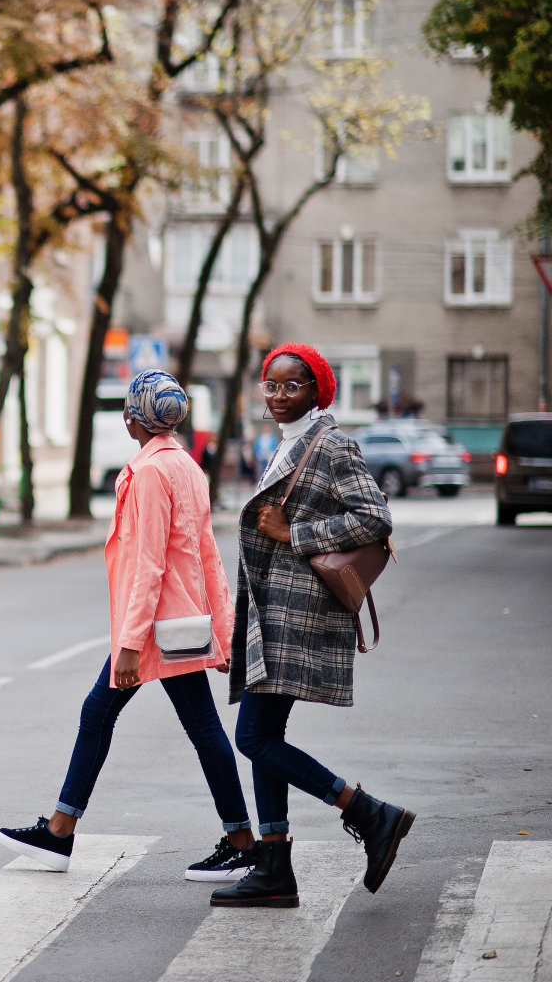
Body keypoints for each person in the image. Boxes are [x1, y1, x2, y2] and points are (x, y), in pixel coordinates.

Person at [0, 370, 258, 882]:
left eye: (127, 410)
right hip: (179, 623)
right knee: (171, 724)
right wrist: (223, 632)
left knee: (112, 715)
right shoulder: (187, 467)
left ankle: (63, 833)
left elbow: (149, 564)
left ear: (134, 419)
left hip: (156, 628)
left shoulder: (152, 473)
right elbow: (209, 556)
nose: (123, 418)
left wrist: (131, 644)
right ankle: (63, 830)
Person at [212, 343, 414, 909]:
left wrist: (292, 534)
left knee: (252, 737)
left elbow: (374, 517)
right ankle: (274, 866)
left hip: (299, 613)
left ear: (316, 390)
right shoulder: (288, 442)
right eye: (271, 385)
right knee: (264, 738)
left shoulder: (331, 443)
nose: (279, 395)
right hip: (272, 610)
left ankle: (366, 811)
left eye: (292, 385)